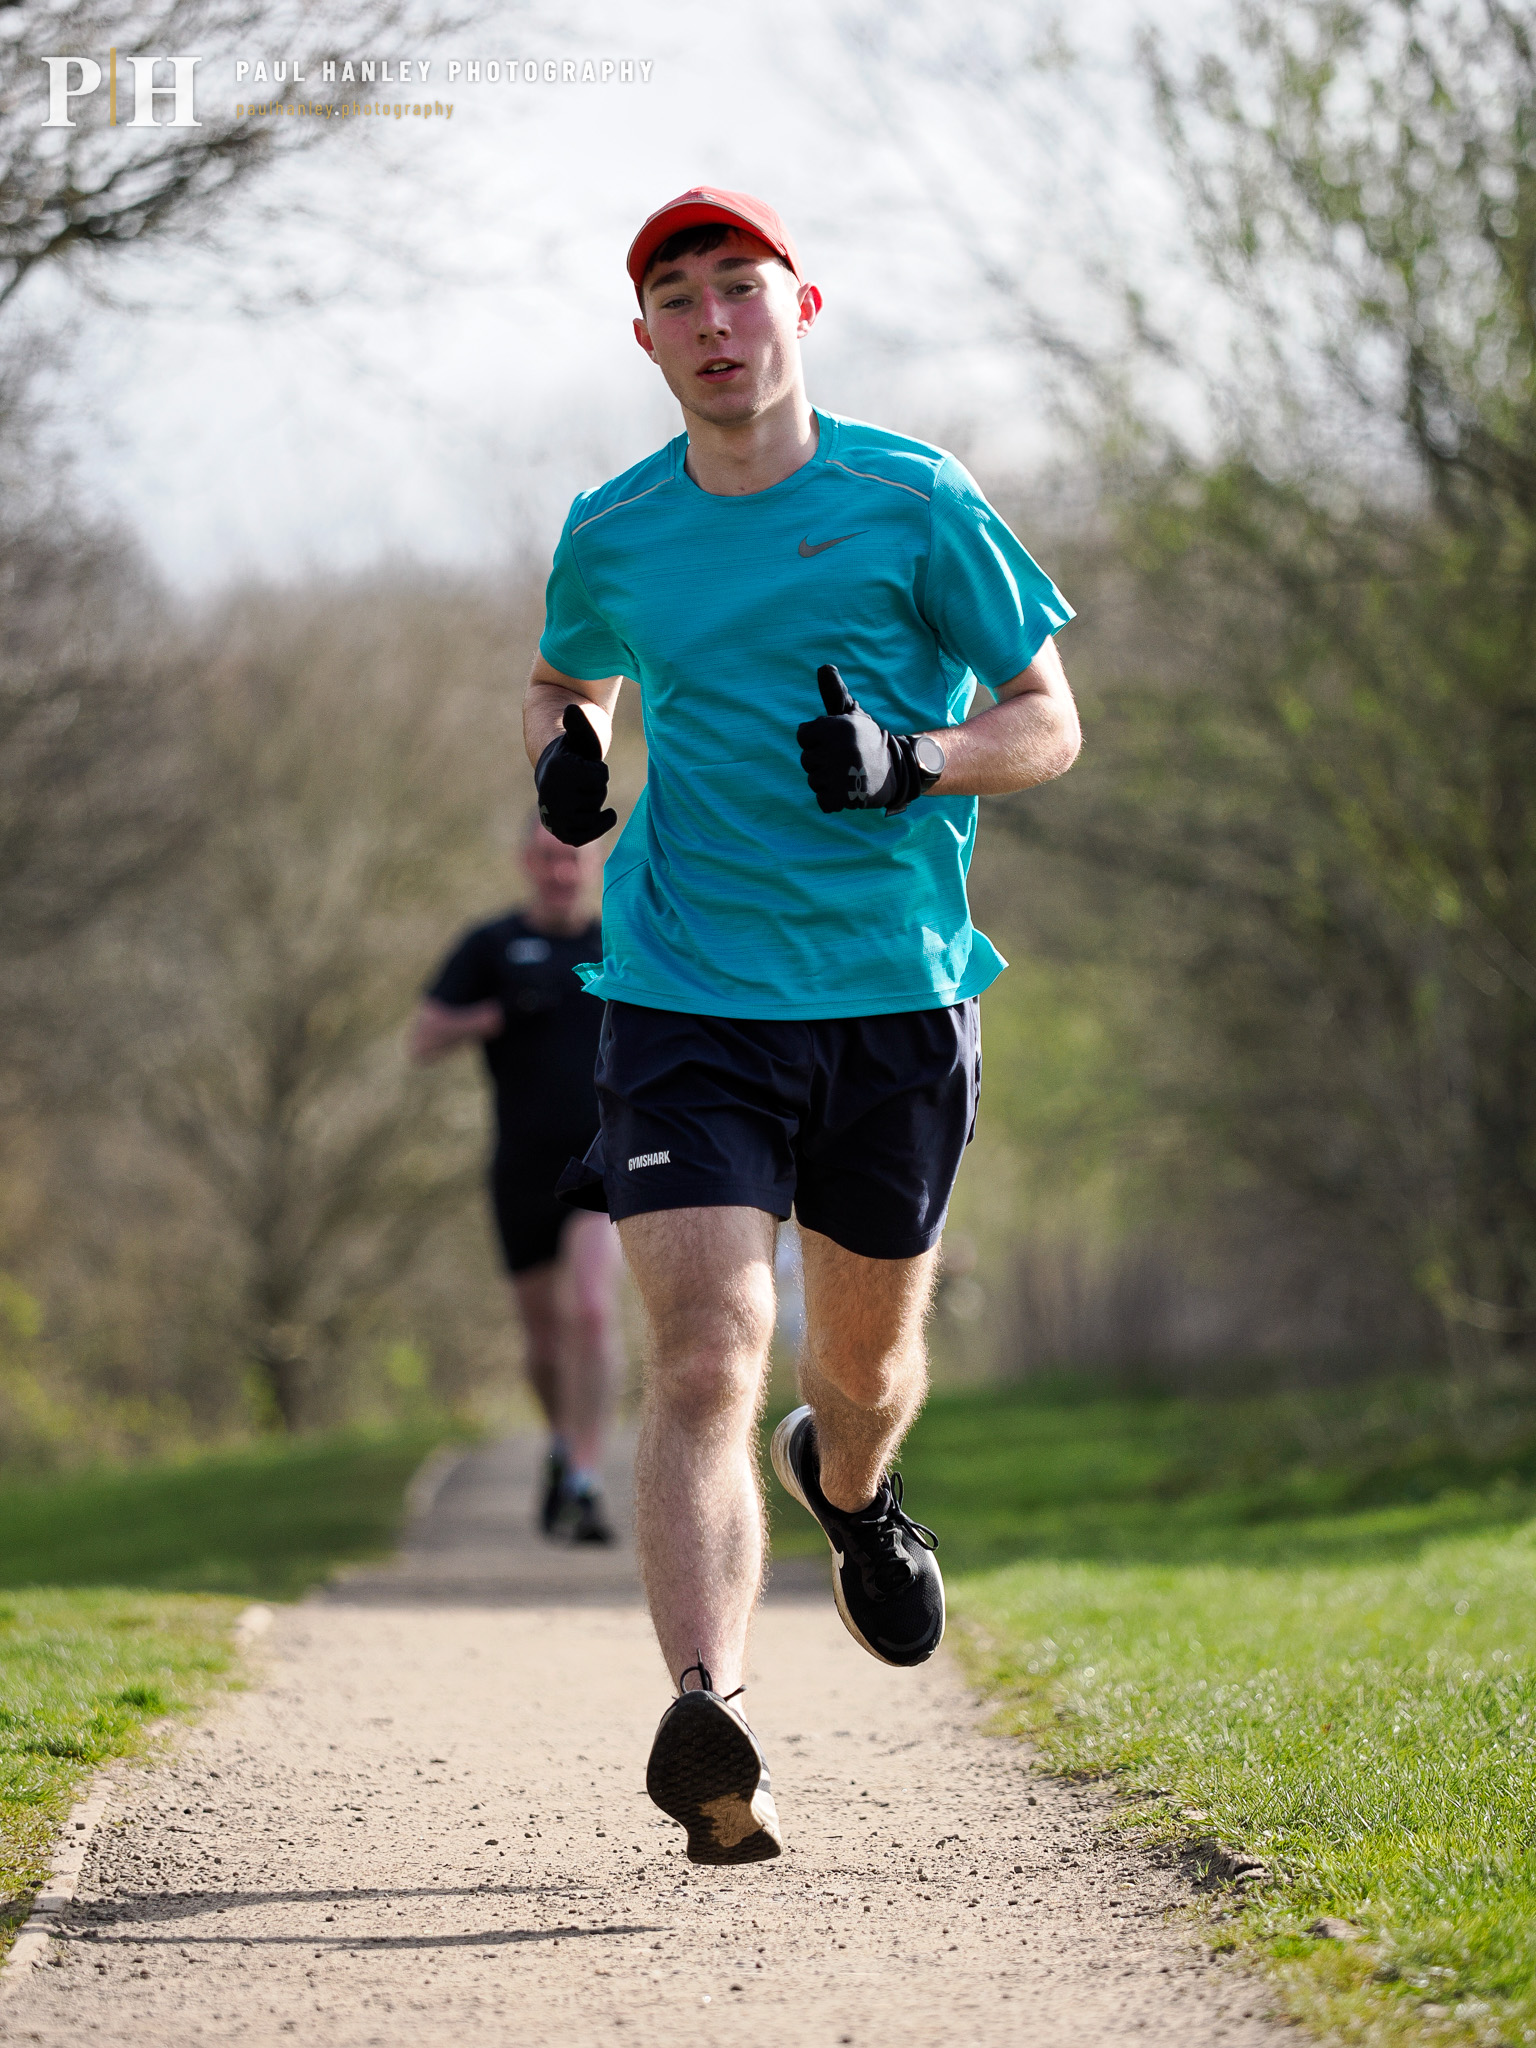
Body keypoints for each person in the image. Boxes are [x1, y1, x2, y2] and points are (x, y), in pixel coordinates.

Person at [525, 187, 1081, 1862]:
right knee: (701, 1345)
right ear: (646, 342)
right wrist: (573, 747)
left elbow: (1045, 722)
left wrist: (916, 759)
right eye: (678, 299)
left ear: (799, 306)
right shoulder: (614, 524)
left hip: (896, 997)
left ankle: (846, 1487)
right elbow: (572, 666)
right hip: (685, 991)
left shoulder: (913, 498)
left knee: (863, 1364)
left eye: (739, 288)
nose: (712, 321)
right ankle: (714, 1710)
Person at [409, 821, 625, 1544]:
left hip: (600, 1160)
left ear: (592, 864)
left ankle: (589, 1480)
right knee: (542, 1338)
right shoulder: (492, 945)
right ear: (527, 863)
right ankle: (562, 1447)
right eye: (547, 859)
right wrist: (498, 1013)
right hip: (520, 1167)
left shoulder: (620, 941)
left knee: (593, 1310)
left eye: (573, 859)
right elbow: (424, 1037)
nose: (560, 872)